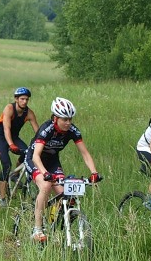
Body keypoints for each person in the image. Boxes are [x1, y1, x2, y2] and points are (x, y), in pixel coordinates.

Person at [24, 97, 101, 243]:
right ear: (55, 118)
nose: (68, 123)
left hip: (52, 161)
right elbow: (35, 156)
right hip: (35, 160)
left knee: (65, 194)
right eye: (64, 119)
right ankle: (37, 229)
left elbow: (84, 153)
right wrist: (45, 174)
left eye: (70, 119)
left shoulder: (72, 130)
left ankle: (54, 221)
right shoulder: (46, 129)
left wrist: (94, 172)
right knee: (46, 186)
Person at [0, 87, 40, 207]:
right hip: (1, 138)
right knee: (6, 165)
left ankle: (15, 175)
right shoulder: (9, 108)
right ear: (16, 99)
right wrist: (11, 144)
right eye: (22, 99)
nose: (24, 102)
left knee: (27, 153)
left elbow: (38, 132)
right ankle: (3, 199)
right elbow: (6, 128)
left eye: (27, 99)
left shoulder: (29, 113)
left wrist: (42, 145)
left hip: (14, 137)